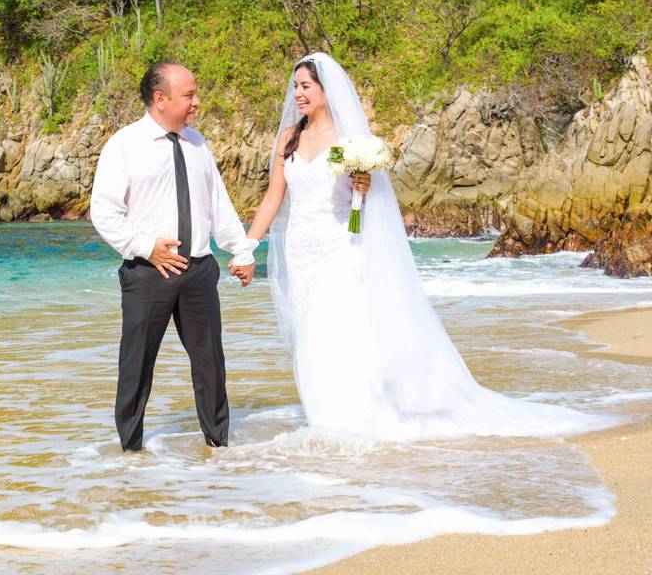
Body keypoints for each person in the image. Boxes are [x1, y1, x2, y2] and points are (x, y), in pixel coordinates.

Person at [233, 52, 605, 440]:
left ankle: (350, 417)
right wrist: (248, 247)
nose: (298, 94)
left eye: (306, 86)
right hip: (301, 249)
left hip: (340, 243)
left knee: (339, 327)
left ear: (327, 90)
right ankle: (324, 414)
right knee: (309, 328)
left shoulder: (348, 140)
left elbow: (365, 201)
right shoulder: (288, 139)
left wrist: (363, 187)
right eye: (295, 87)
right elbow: (273, 198)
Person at [90, 61, 258, 451]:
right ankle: (130, 454)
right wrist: (146, 248)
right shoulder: (125, 145)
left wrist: (242, 249)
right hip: (149, 272)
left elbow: (218, 203)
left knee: (211, 365)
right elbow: (104, 211)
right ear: (160, 99)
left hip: (199, 270)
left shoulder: (198, 143)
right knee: (136, 366)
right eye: (189, 95)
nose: (197, 102)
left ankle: (220, 449)